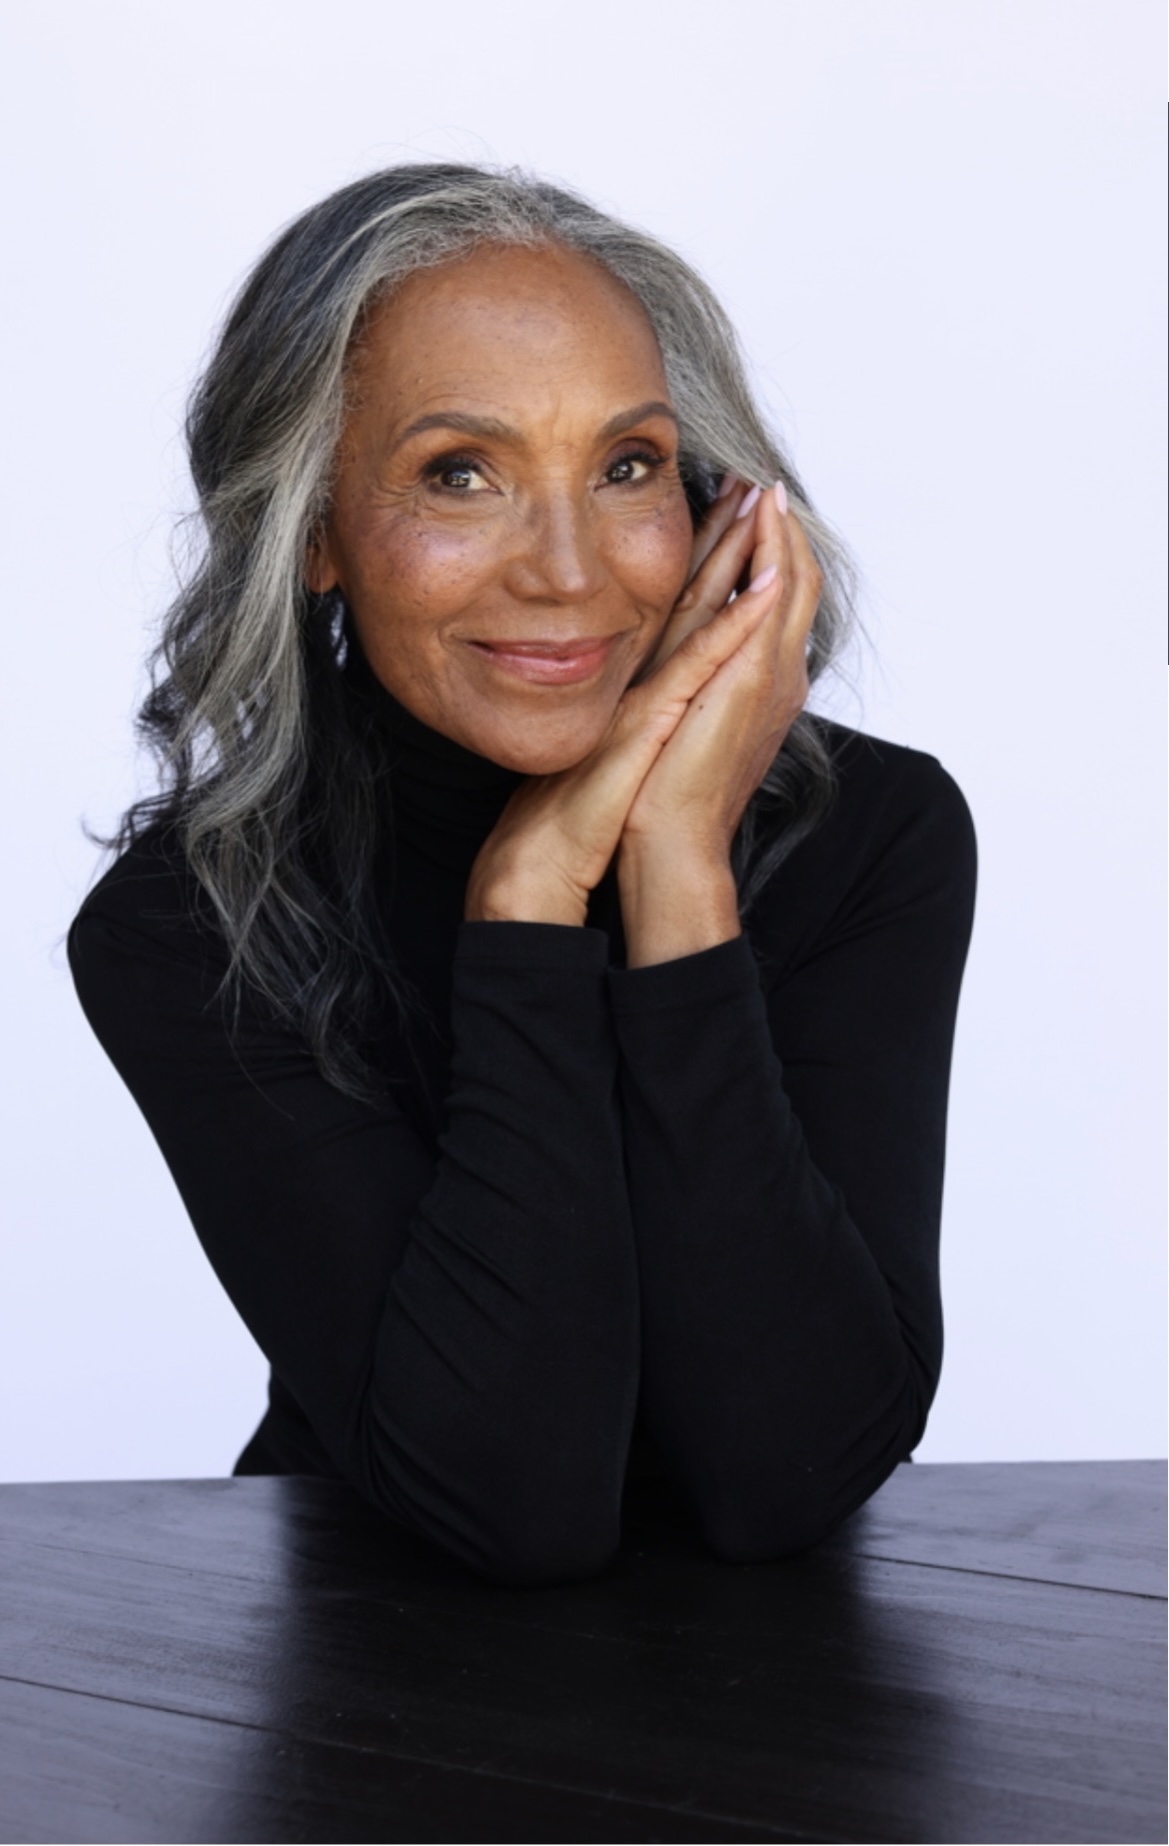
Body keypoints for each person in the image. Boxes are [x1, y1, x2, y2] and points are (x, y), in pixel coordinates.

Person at [68, 164, 976, 1587]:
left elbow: (792, 1471)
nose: (565, 571)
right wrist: (529, 900)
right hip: (368, 1661)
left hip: (809, 1691)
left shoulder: (876, 834)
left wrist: (677, 874)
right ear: (313, 532)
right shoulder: (190, 923)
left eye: (626, 467)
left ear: (717, 509)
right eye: (460, 474)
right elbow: (512, 1504)